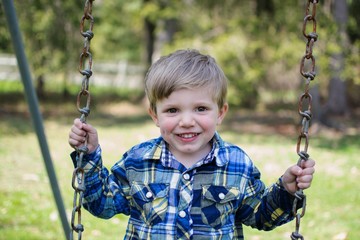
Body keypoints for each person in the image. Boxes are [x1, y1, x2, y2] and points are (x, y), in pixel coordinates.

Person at [68, 49, 315, 239]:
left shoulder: (236, 164)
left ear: (220, 112)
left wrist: (287, 191)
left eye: (200, 108)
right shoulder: (138, 161)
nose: (187, 121)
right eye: (173, 110)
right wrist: (88, 156)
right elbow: (102, 204)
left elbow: (260, 215)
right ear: (155, 115)